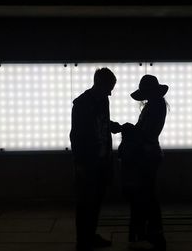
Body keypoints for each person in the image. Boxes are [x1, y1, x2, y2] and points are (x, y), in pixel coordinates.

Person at [70, 67, 122, 251]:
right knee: (85, 204)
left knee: (95, 202)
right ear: (98, 83)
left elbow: (102, 123)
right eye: (109, 88)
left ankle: (89, 236)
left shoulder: (101, 101)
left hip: (101, 161)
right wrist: (80, 163)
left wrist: (114, 126)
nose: (110, 92)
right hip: (88, 163)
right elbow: (76, 136)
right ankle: (83, 241)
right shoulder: (81, 104)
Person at [119, 74, 168, 251]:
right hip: (150, 154)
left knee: (146, 195)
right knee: (146, 194)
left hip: (146, 156)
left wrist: (128, 129)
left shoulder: (153, 107)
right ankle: (150, 232)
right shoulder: (157, 105)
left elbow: (145, 133)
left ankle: (152, 233)